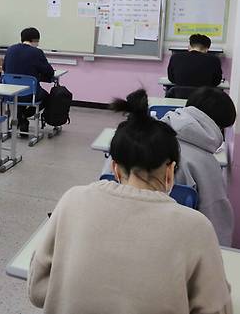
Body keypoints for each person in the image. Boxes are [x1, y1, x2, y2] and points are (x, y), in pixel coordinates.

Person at [29, 89, 231, 313]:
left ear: (114, 167)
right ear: (170, 172)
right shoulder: (196, 226)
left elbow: (38, 290)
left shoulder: (73, 199)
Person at [161, 87, 236, 246]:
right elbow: (217, 221)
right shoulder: (205, 163)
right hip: (177, 247)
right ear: (217, 126)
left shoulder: (137, 140)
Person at [3, 27, 54, 133]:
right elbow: (49, 72)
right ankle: (23, 117)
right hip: (30, 94)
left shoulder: (10, 49)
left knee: (20, 95)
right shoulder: (37, 52)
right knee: (46, 97)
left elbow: (4, 68)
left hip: (11, 94)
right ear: (35, 40)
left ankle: (20, 119)